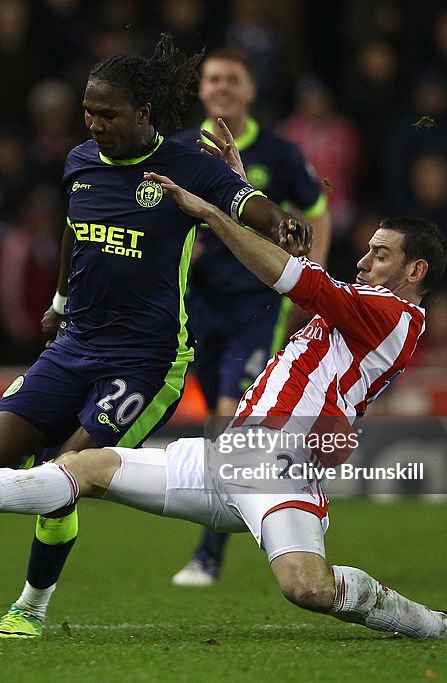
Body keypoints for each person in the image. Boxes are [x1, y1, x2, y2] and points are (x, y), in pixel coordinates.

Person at [0, 171, 447, 641]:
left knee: (307, 587)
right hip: (231, 453)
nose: (366, 258)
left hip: (283, 469)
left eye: (381, 253)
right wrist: (241, 191)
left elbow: (289, 275)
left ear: (415, 272)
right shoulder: (361, 309)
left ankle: (444, 627)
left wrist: (213, 210)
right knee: (90, 467)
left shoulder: (396, 318)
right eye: (367, 248)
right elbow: (300, 272)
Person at [0, 34, 302, 639]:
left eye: (108, 114)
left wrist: (281, 222)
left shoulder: (185, 168)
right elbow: (73, 231)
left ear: (144, 114)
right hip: (76, 341)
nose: (95, 124)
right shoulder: (80, 162)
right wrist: (57, 300)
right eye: (89, 111)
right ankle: (29, 487)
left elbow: (248, 204)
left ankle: (28, 605)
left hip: (147, 360)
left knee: (68, 469)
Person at [169, 47, 332, 587]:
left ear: (250, 90)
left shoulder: (280, 152)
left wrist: (311, 280)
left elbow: (315, 210)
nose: (222, 88)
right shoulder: (180, 151)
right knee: (220, 424)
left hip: (258, 305)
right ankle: (265, 515)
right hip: (198, 306)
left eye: (232, 80)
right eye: (213, 79)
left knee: (227, 419)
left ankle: (209, 555)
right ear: (200, 89)